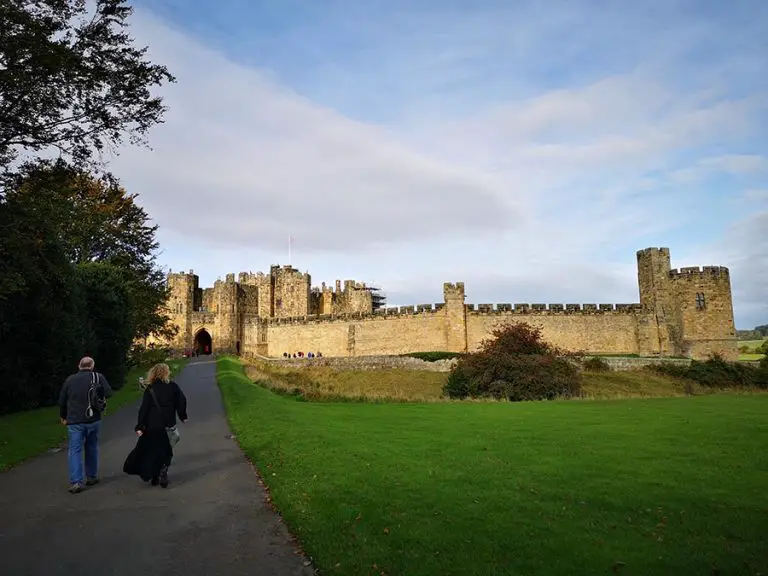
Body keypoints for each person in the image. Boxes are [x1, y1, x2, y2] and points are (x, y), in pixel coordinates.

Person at [123, 363, 188, 488]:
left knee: (153, 450)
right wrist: (183, 416)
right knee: (166, 449)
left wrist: (140, 425)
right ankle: (163, 469)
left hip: (152, 424)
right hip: (168, 423)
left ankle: (154, 476)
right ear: (166, 373)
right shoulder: (173, 387)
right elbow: (181, 401)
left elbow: (144, 409)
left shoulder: (150, 389)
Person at [58, 356, 113, 493]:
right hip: (93, 419)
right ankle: (92, 476)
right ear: (92, 366)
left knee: (75, 450)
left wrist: (63, 416)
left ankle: (76, 481)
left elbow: (62, 400)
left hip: (75, 421)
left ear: (79, 365)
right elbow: (108, 393)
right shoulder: (98, 377)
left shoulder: (70, 380)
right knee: (92, 447)